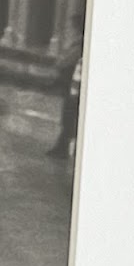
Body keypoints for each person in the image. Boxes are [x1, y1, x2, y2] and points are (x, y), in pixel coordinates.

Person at [47, 14, 85, 158]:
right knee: (69, 118)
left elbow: (64, 61)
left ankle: (64, 148)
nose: (69, 29)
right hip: (72, 87)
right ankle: (63, 146)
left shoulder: (79, 44)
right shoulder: (78, 42)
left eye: (72, 26)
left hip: (74, 88)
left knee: (70, 117)